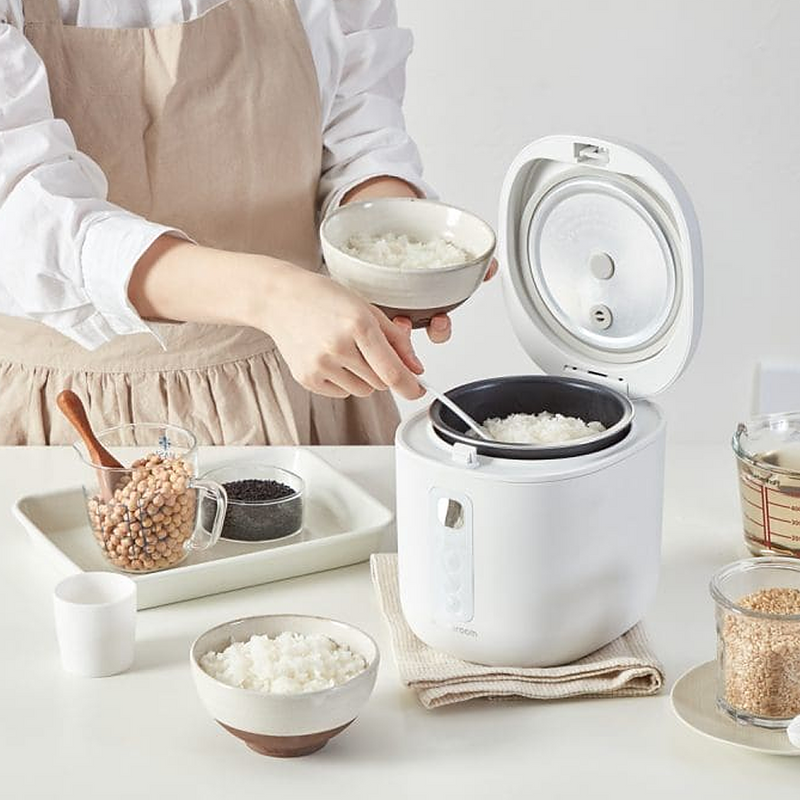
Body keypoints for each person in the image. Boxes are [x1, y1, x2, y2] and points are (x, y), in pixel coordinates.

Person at [0, 0, 496, 445]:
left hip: (305, 393)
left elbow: (359, 120)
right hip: (76, 417)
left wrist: (390, 251)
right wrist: (274, 296)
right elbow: (26, 211)